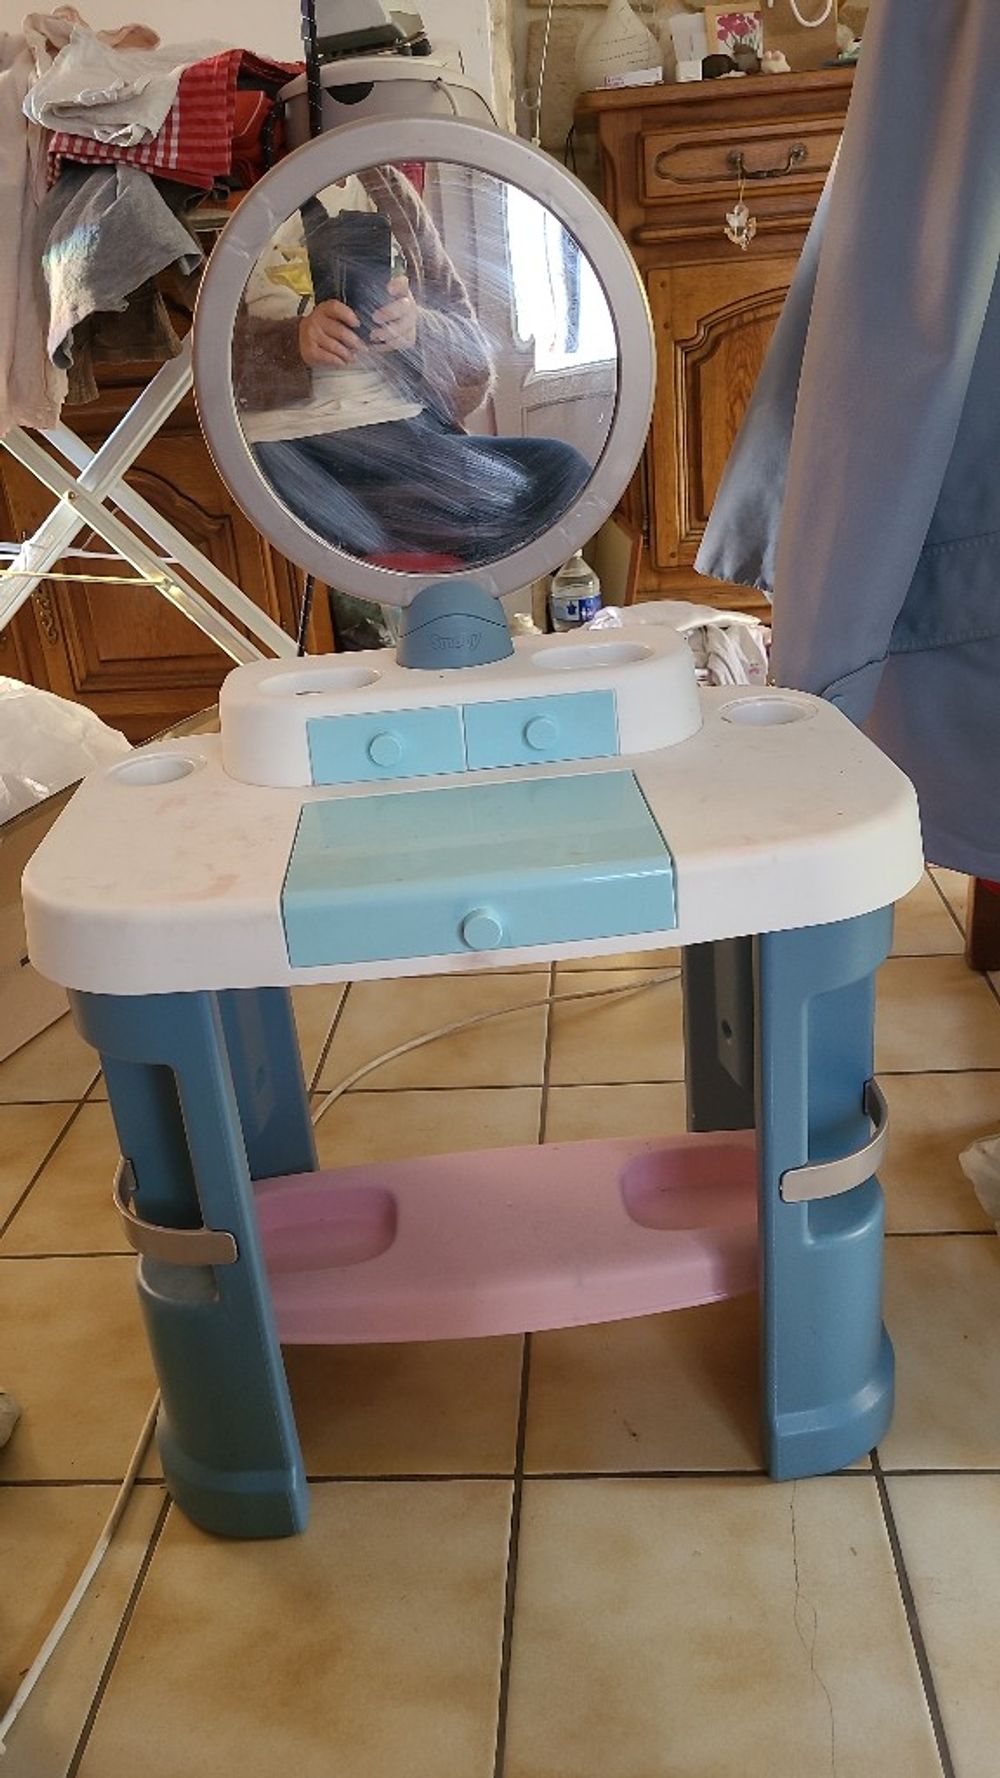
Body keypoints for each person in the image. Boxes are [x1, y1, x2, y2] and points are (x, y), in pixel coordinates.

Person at [234, 164, 592, 565]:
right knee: (315, 511)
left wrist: (420, 328)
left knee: (565, 472)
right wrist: (293, 342)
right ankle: (387, 536)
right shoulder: (242, 197)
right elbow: (203, 364)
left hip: (408, 442)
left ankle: (370, 536)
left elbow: (473, 368)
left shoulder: (386, 188)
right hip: (289, 446)